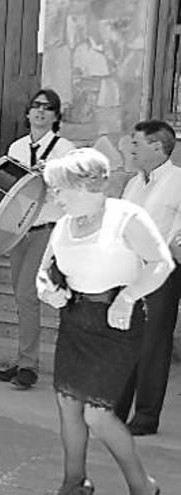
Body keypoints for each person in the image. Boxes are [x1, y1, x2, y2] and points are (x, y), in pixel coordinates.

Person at [37, 148, 168, 495]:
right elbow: (45, 272)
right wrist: (48, 291)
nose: (55, 197)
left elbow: (161, 263)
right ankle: (74, 481)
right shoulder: (64, 225)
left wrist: (127, 298)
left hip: (117, 323)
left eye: (59, 189)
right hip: (75, 320)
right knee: (67, 405)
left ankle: (142, 485)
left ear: (83, 186)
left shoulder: (127, 216)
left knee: (97, 413)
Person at [0, 89, 76, 390]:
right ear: (28, 113)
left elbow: (72, 188)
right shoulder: (15, 147)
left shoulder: (65, 148)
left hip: (46, 230)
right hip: (19, 231)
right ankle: (23, 359)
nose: (40, 111)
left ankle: (28, 366)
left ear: (56, 116)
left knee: (27, 294)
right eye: (36, 106)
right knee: (21, 296)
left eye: (48, 107)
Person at [115, 120, 181, 436]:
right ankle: (117, 410)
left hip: (161, 272)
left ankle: (146, 416)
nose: (131, 149)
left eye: (137, 144)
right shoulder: (132, 184)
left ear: (158, 147)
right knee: (125, 338)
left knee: (154, 343)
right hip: (128, 271)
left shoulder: (179, 181)